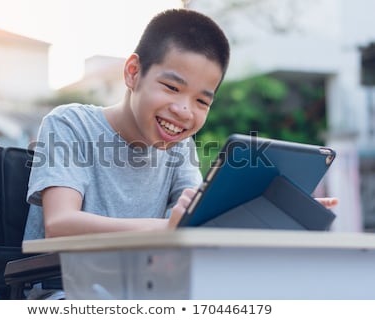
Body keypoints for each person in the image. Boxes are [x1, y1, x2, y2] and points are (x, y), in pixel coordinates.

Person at [23, 8, 337, 299]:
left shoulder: (180, 149)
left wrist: (278, 213)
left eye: (202, 101)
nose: (184, 111)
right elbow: (60, 224)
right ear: (133, 73)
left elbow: (197, 223)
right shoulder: (70, 124)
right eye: (172, 88)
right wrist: (167, 227)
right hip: (65, 291)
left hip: (144, 292)